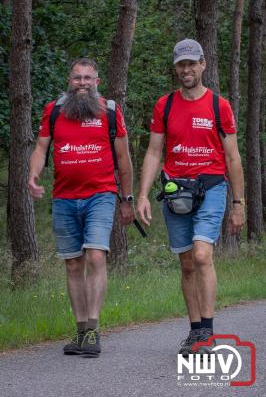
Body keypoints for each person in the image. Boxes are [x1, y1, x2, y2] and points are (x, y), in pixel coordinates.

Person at [137, 39, 245, 357]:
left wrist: (238, 204)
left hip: (211, 188)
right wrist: (142, 194)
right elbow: (155, 151)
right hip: (175, 190)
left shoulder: (218, 106)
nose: (186, 69)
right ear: (176, 68)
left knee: (201, 256)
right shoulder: (165, 105)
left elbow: (234, 157)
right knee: (186, 264)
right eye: (181, 65)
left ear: (203, 65)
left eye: (191, 63)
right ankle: (195, 332)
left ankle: (208, 333)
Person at [29, 58, 135, 357]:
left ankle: (93, 329)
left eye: (88, 78)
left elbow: (124, 159)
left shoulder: (110, 112)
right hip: (64, 198)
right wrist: (33, 174)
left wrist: (126, 199)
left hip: (100, 195)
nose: (83, 83)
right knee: (73, 263)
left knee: (96, 256)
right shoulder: (55, 111)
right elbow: (40, 147)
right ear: (69, 80)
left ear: (97, 81)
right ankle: (80, 332)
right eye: (77, 78)